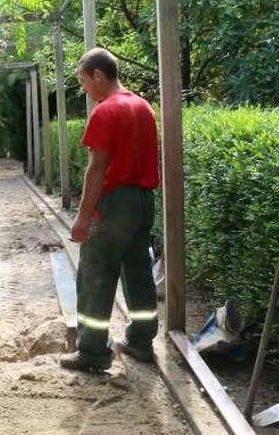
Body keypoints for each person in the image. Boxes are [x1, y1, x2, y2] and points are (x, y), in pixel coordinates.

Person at [60, 48, 160, 372]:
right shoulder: (143, 106)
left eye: (84, 81)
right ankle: (141, 341)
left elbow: (96, 169)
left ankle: (92, 351)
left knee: (95, 275)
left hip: (115, 203)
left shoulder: (104, 112)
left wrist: (82, 217)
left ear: (99, 76)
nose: (84, 89)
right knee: (139, 272)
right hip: (143, 201)